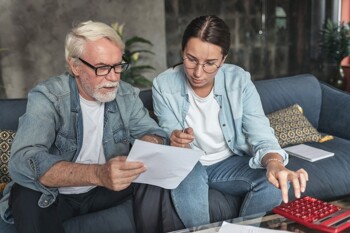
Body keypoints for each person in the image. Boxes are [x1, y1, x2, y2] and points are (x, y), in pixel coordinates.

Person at [0, 20, 167, 233]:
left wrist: (148, 144)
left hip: (105, 190)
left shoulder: (125, 94)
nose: (114, 77)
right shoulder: (48, 97)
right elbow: (24, 158)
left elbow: (154, 133)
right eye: (103, 67)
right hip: (57, 195)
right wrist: (99, 174)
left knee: (154, 179)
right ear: (75, 66)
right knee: (25, 195)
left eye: (118, 65)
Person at [152, 15, 309, 228]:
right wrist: (175, 139)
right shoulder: (163, 84)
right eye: (191, 59)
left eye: (210, 64)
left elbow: (260, 132)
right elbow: (168, 132)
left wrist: (275, 163)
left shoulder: (239, 81)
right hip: (191, 163)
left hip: (229, 163)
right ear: (182, 52)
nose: (198, 72)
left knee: (274, 183)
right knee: (189, 172)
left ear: (223, 60)